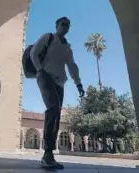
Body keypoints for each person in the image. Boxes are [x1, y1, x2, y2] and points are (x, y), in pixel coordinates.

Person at [30, 17, 85, 169]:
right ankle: (47, 154)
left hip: (60, 82)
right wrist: (40, 70)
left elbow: (72, 66)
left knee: (57, 116)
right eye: (63, 24)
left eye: (68, 25)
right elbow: (34, 52)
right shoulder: (48, 37)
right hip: (46, 77)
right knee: (53, 109)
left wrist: (78, 83)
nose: (65, 27)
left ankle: (50, 156)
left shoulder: (67, 47)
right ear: (57, 26)